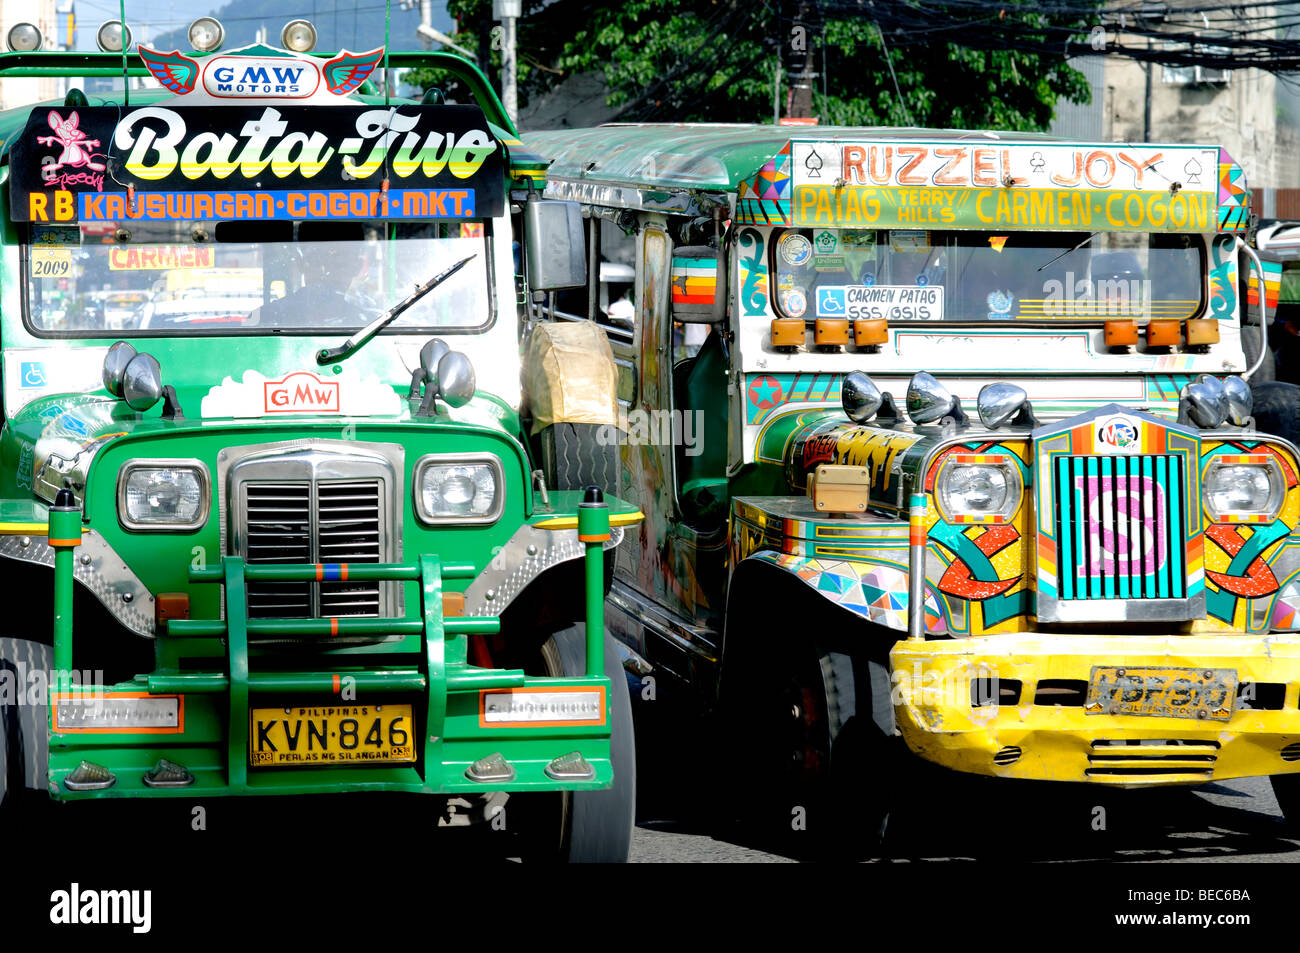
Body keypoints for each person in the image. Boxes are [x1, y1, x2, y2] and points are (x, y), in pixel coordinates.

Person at [250, 222, 373, 327]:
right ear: (301, 264)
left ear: (356, 267)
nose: (327, 274)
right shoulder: (262, 320)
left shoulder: (371, 326)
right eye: (318, 261)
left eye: (339, 263)